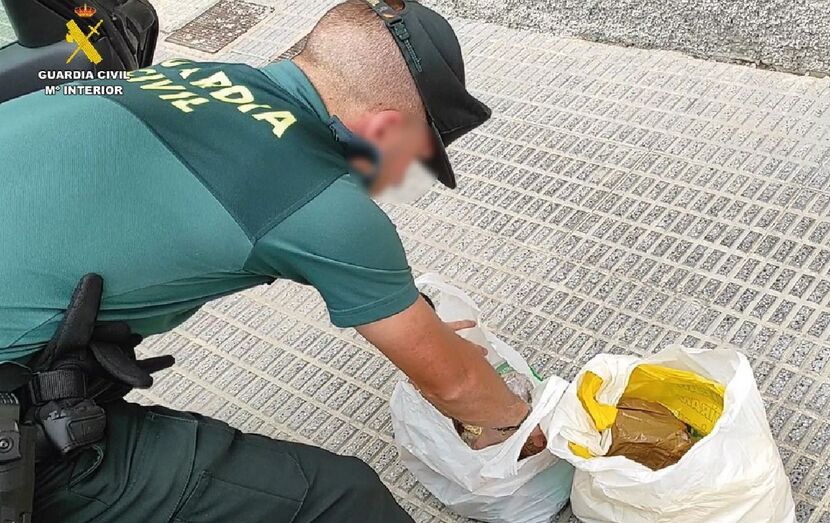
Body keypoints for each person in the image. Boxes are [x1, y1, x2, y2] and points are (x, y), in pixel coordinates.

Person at [0, 1, 545, 521]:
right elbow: (457, 387)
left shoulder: (195, 77)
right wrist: (531, 425)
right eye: (412, 163)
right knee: (340, 502)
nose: (401, 182)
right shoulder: (322, 205)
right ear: (382, 131)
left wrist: (422, 327)